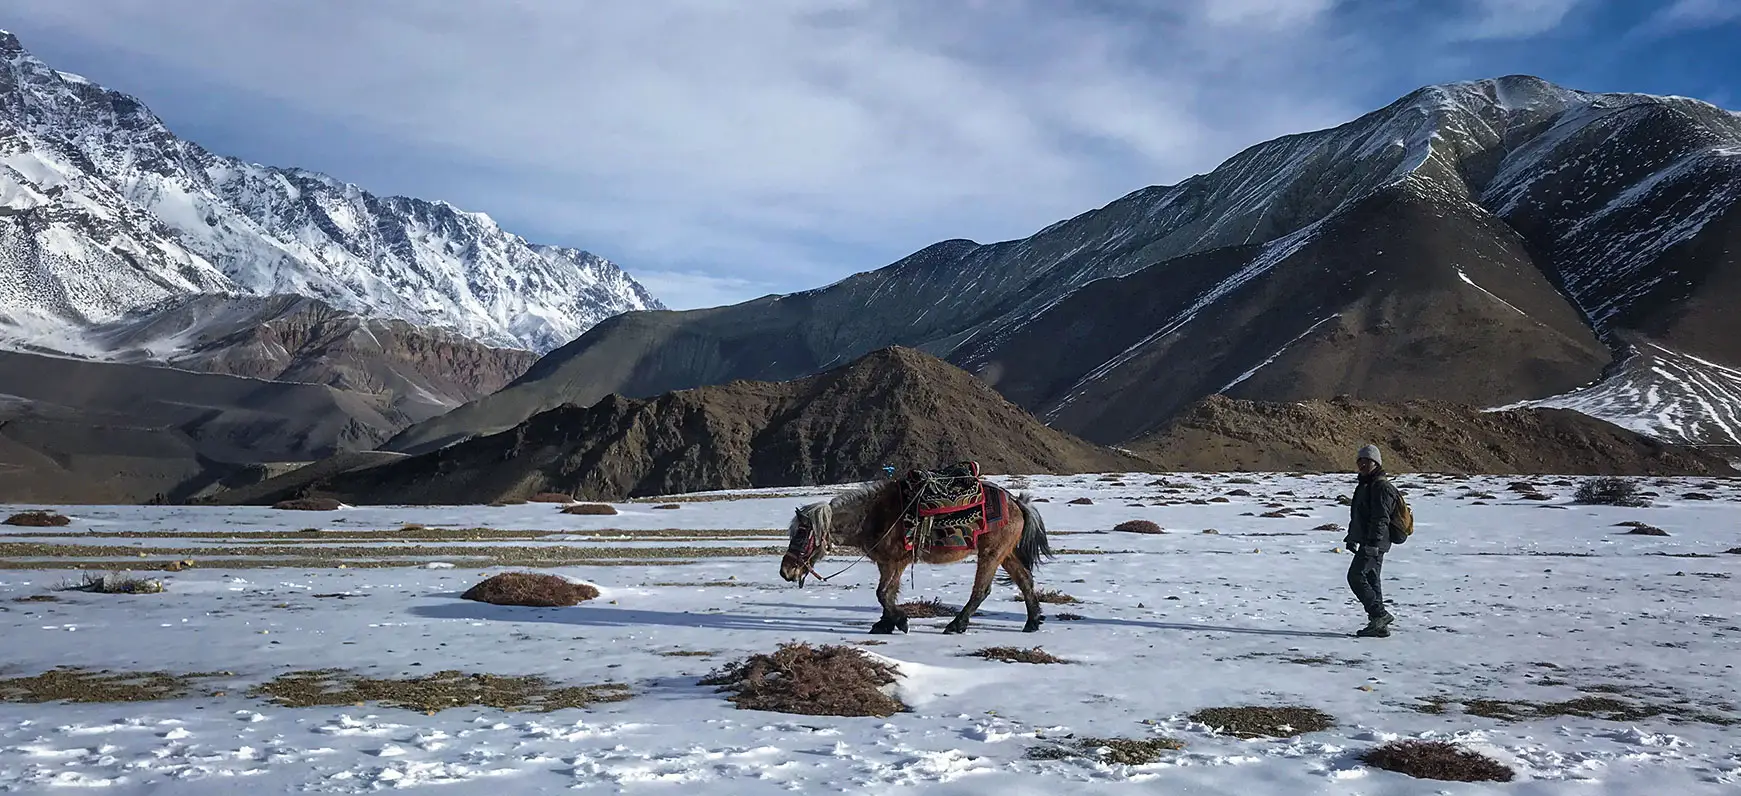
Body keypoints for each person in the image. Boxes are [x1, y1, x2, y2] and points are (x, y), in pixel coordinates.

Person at [1344, 444, 1400, 637]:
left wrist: (1372, 545)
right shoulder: (1364, 486)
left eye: (1366, 461)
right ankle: (1379, 626)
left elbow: (1381, 519)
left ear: (1375, 463)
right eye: (1359, 461)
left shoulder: (1381, 487)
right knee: (1372, 580)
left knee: (1356, 577)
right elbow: (1358, 516)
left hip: (1375, 544)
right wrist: (1352, 538)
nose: (1361, 464)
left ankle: (1380, 615)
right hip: (1368, 542)